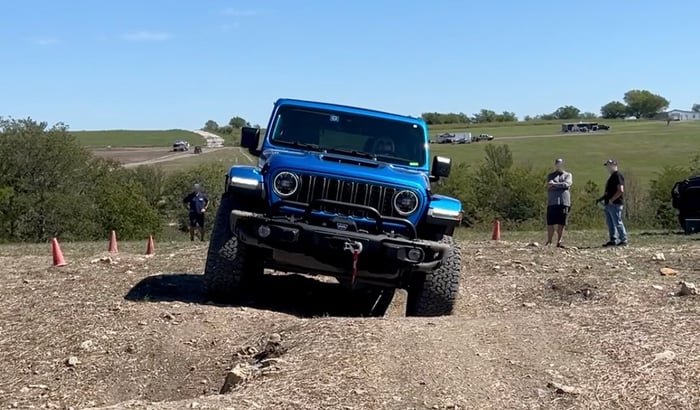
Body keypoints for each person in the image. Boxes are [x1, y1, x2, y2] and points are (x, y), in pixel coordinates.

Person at [599, 159, 628, 247]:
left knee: (617, 221)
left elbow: (620, 190)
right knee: (610, 222)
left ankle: (623, 239)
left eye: (608, 166)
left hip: (615, 203)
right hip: (609, 203)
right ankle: (613, 239)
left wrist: (612, 199)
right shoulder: (612, 176)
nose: (607, 168)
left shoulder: (617, 175)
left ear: (613, 165)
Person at [545, 158, 573, 247]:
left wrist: (555, 185)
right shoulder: (551, 175)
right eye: (557, 164)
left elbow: (567, 184)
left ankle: (559, 241)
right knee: (550, 222)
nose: (558, 166)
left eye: (560, 164)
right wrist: (559, 185)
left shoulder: (568, 175)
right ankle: (549, 241)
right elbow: (549, 185)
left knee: (562, 222)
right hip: (552, 202)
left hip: (564, 202)